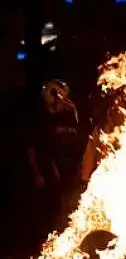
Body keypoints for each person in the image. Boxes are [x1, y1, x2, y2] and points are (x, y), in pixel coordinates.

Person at [26, 80, 81, 240]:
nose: (62, 100)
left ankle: (57, 232)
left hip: (57, 167)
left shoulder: (57, 115)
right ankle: (42, 238)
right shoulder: (39, 117)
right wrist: (37, 173)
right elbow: (32, 147)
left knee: (61, 202)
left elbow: (72, 130)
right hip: (44, 168)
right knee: (47, 206)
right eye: (59, 96)